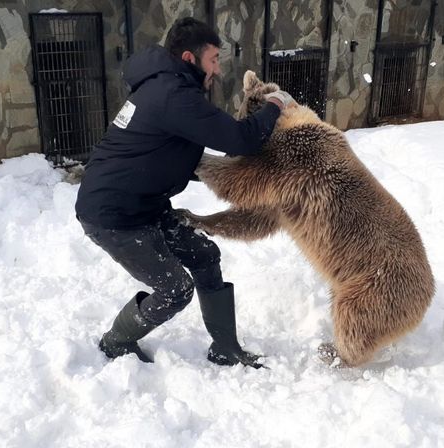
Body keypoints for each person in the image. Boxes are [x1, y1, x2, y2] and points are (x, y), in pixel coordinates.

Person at [75, 17, 294, 368]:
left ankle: (225, 347)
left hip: (144, 206)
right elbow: (241, 140)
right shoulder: (172, 96)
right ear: (190, 59)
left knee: (205, 255)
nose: (218, 70)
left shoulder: (168, 88)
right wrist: (276, 105)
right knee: (175, 289)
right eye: (213, 60)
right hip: (113, 216)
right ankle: (115, 342)